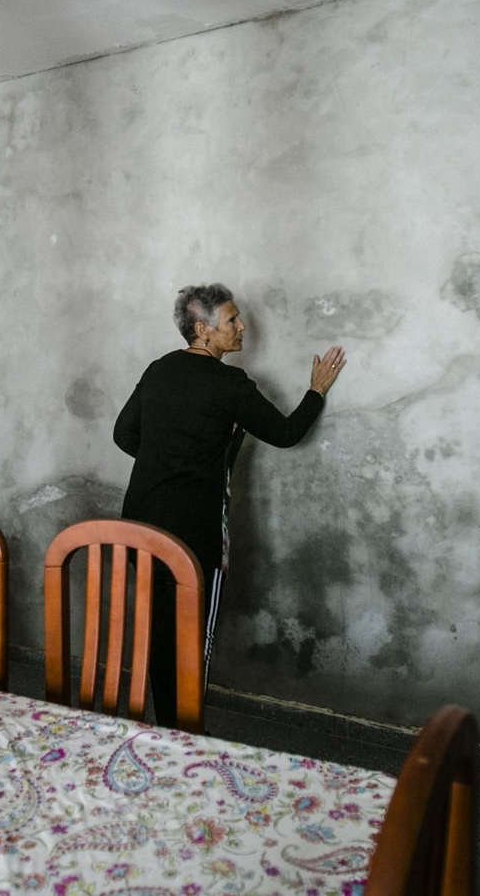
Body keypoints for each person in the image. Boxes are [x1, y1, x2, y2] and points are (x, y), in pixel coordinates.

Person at [113, 283, 345, 727]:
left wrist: (168, 462)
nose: (242, 326)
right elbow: (285, 434)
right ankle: (186, 733)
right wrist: (316, 391)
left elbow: (124, 435)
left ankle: (164, 731)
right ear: (203, 329)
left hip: (140, 521)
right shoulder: (229, 384)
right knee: (192, 637)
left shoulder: (159, 369)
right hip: (194, 532)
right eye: (232, 319)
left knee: (157, 631)